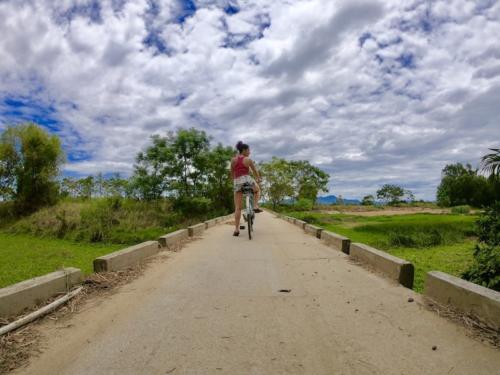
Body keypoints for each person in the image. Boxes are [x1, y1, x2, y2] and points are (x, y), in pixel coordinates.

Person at [231, 141, 262, 236]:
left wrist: (234, 181)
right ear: (244, 150)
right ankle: (255, 206)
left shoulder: (233, 160)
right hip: (247, 180)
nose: (249, 152)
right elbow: (255, 171)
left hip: (237, 182)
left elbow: (232, 172)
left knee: (238, 208)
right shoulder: (248, 160)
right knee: (257, 190)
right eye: (248, 150)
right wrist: (258, 178)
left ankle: (236, 229)